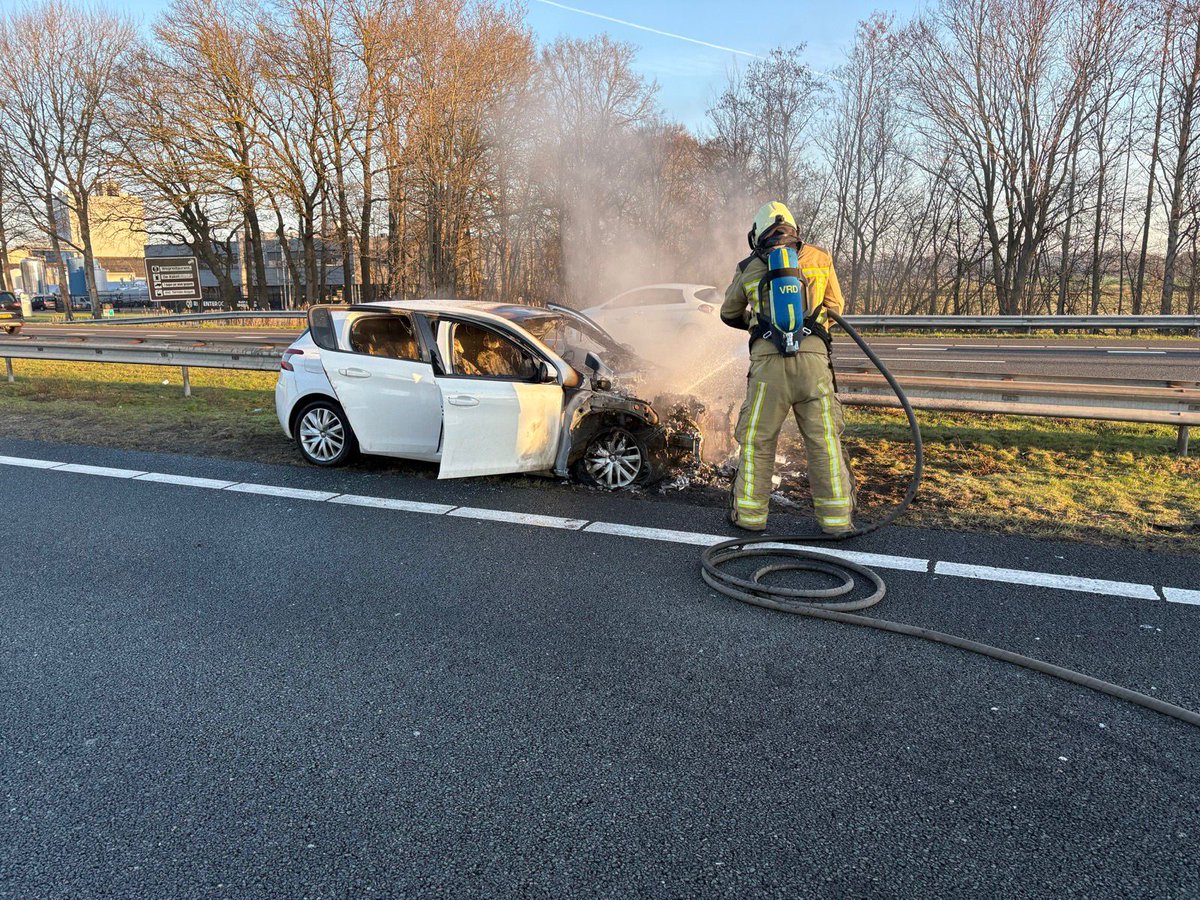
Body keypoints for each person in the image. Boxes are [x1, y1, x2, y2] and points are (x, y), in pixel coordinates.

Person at [720, 201, 856, 534]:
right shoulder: (820, 259)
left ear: (757, 234)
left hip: (768, 368)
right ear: (795, 230)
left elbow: (727, 312)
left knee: (758, 441)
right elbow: (835, 307)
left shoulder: (749, 266)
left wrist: (758, 323)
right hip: (813, 366)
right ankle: (836, 522)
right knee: (824, 441)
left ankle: (750, 518)